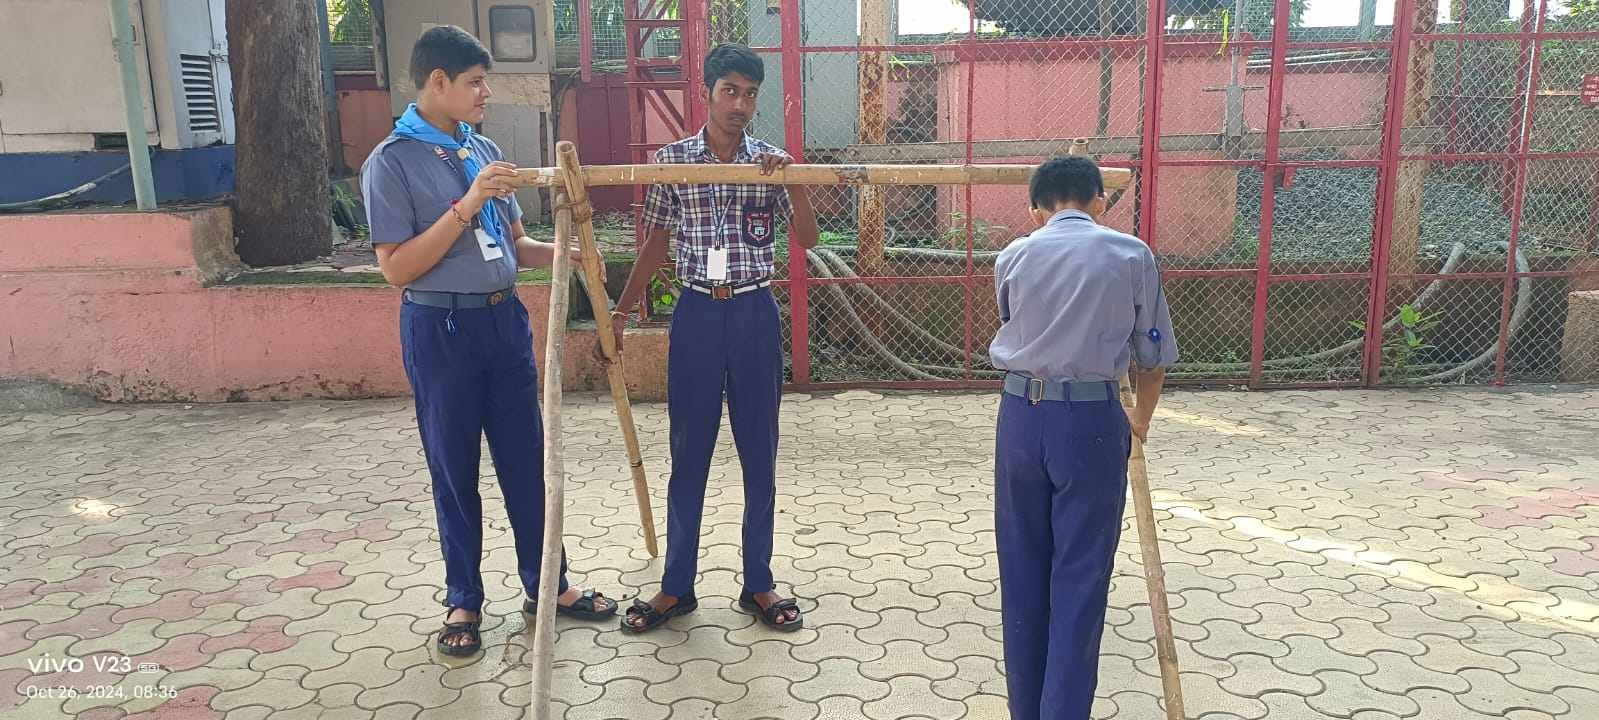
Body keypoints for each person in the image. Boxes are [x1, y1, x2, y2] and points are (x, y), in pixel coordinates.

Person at [361, 25, 617, 658]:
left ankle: (548, 585)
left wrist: (570, 254)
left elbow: (516, 245)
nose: (486, 93)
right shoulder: (391, 161)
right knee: (454, 469)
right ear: (437, 82)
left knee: (527, 461)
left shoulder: (483, 148)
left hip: (504, 325)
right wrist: (467, 203)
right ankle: (464, 600)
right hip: (440, 328)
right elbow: (396, 268)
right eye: (475, 82)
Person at [609, 43, 821, 633]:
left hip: (754, 314)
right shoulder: (673, 161)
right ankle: (676, 586)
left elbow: (807, 239)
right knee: (689, 452)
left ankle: (759, 583)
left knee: (760, 451)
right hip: (697, 314)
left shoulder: (771, 164)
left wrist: (795, 181)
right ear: (706, 93)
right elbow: (655, 244)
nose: (740, 104)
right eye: (729, 91)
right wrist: (620, 311)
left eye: (750, 94)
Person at [988, 155, 1178, 719]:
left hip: (1019, 418)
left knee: (1022, 571)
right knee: (1080, 577)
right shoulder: (1130, 254)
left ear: (1035, 208)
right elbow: (1153, 357)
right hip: (1091, 422)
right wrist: (1139, 422)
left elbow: (1012, 318)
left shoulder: (1013, 255)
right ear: (1100, 201)